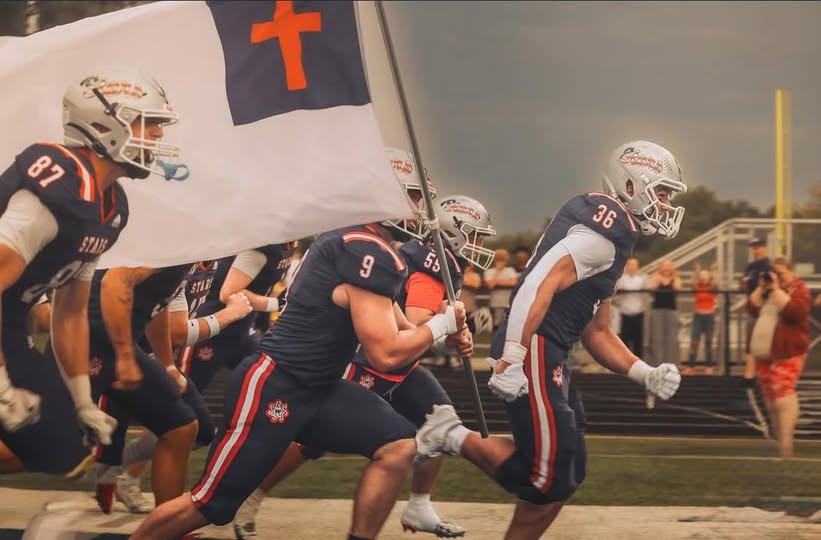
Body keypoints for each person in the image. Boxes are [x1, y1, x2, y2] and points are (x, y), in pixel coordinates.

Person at [132, 173, 470, 540]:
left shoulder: (364, 244)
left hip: (321, 385)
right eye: (414, 197)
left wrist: (444, 334)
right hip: (278, 381)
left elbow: (405, 331)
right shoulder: (365, 249)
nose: (419, 210)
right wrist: (440, 324)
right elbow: (386, 355)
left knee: (398, 445)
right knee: (211, 505)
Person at [412, 140, 687, 539]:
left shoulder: (617, 238)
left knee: (568, 474)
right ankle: (450, 434)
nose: (666, 203)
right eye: (662, 191)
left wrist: (643, 373)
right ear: (631, 186)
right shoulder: (603, 235)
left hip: (550, 351)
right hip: (534, 347)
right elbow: (536, 285)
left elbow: (597, 331)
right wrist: (513, 356)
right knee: (546, 479)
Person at [231, 195, 495, 540]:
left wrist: (448, 340)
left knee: (440, 418)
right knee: (311, 443)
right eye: (475, 236)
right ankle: (253, 494)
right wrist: (446, 328)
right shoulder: (432, 262)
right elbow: (418, 322)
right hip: (371, 359)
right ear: (454, 231)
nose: (478, 245)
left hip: (404, 361)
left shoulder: (443, 260)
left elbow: (421, 331)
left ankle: (419, 505)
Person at [0, 66, 180, 476]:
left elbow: (70, 310)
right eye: (147, 122)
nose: (157, 135)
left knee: (60, 448)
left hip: (8, 320)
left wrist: (82, 400)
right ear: (103, 125)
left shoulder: (109, 206)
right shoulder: (59, 186)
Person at [177, 243, 295, 393]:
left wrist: (264, 323)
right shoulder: (264, 245)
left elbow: (261, 286)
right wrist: (277, 304)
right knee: (186, 391)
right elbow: (229, 293)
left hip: (243, 328)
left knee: (270, 381)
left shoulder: (289, 242)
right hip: (212, 329)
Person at [746, 257, 810, 459]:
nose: (778, 277)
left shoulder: (799, 289)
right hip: (765, 352)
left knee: (783, 393)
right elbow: (751, 308)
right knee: (770, 397)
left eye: (781, 273)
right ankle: (779, 441)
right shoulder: (767, 291)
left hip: (788, 351)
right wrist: (762, 287)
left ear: (791, 272)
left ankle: (786, 446)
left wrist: (776, 289)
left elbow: (796, 312)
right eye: (775, 273)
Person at [647, 259, 682, 408]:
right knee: (657, 339)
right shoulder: (656, 277)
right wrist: (659, 276)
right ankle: (657, 366)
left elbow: (677, 288)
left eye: (669, 265)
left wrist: (671, 276)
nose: (666, 268)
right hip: (657, 310)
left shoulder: (676, 278)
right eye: (664, 266)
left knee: (671, 339)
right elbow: (652, 287)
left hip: (671, 310)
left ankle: (670, 367)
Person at [741, 237, 771, 385]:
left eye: (758, 247)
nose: (756, 250)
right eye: (754, 248)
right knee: (750, 339)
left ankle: (764, 373)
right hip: (752, 306)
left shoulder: (769, 265)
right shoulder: (750, 267)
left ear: (765, 248)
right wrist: (745, 283)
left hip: (765, 308)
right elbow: (744, 286)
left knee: (764, 340)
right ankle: (750, 374)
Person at [684, 265, 718, 375]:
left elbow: (716, 281)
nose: (703, 277)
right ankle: (691, 366)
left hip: (709, 316)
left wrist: (713, 270)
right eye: (702, 275)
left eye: (705, 275)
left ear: (709, 277)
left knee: (708, 342)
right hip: (698, 316)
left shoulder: (712, 288)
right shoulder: (697, 287)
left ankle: (709, 366)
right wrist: (696, 272)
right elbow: (693, 282)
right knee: (694, 342)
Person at [614, 257, 648, 357]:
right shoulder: (621, 278)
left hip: (639, 311)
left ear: (638, 266)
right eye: (630, 265)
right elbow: (616, 293)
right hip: (625, 311)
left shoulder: (643, 278)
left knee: (638, 339)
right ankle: (624, 359)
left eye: (634, 265)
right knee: (625, 338)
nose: (632, 267)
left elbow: (647, 294)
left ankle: (638, 360)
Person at [484, 248, 517, 330]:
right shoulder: (489, 272)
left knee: (507, 325)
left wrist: (497, 282)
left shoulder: (511, 271)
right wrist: (498, 272)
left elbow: (513, 283)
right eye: (498, 259)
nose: (501, 262)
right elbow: (490, 285)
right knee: (496, 326)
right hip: (495, 303)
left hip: (508, 303)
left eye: (503, 260)